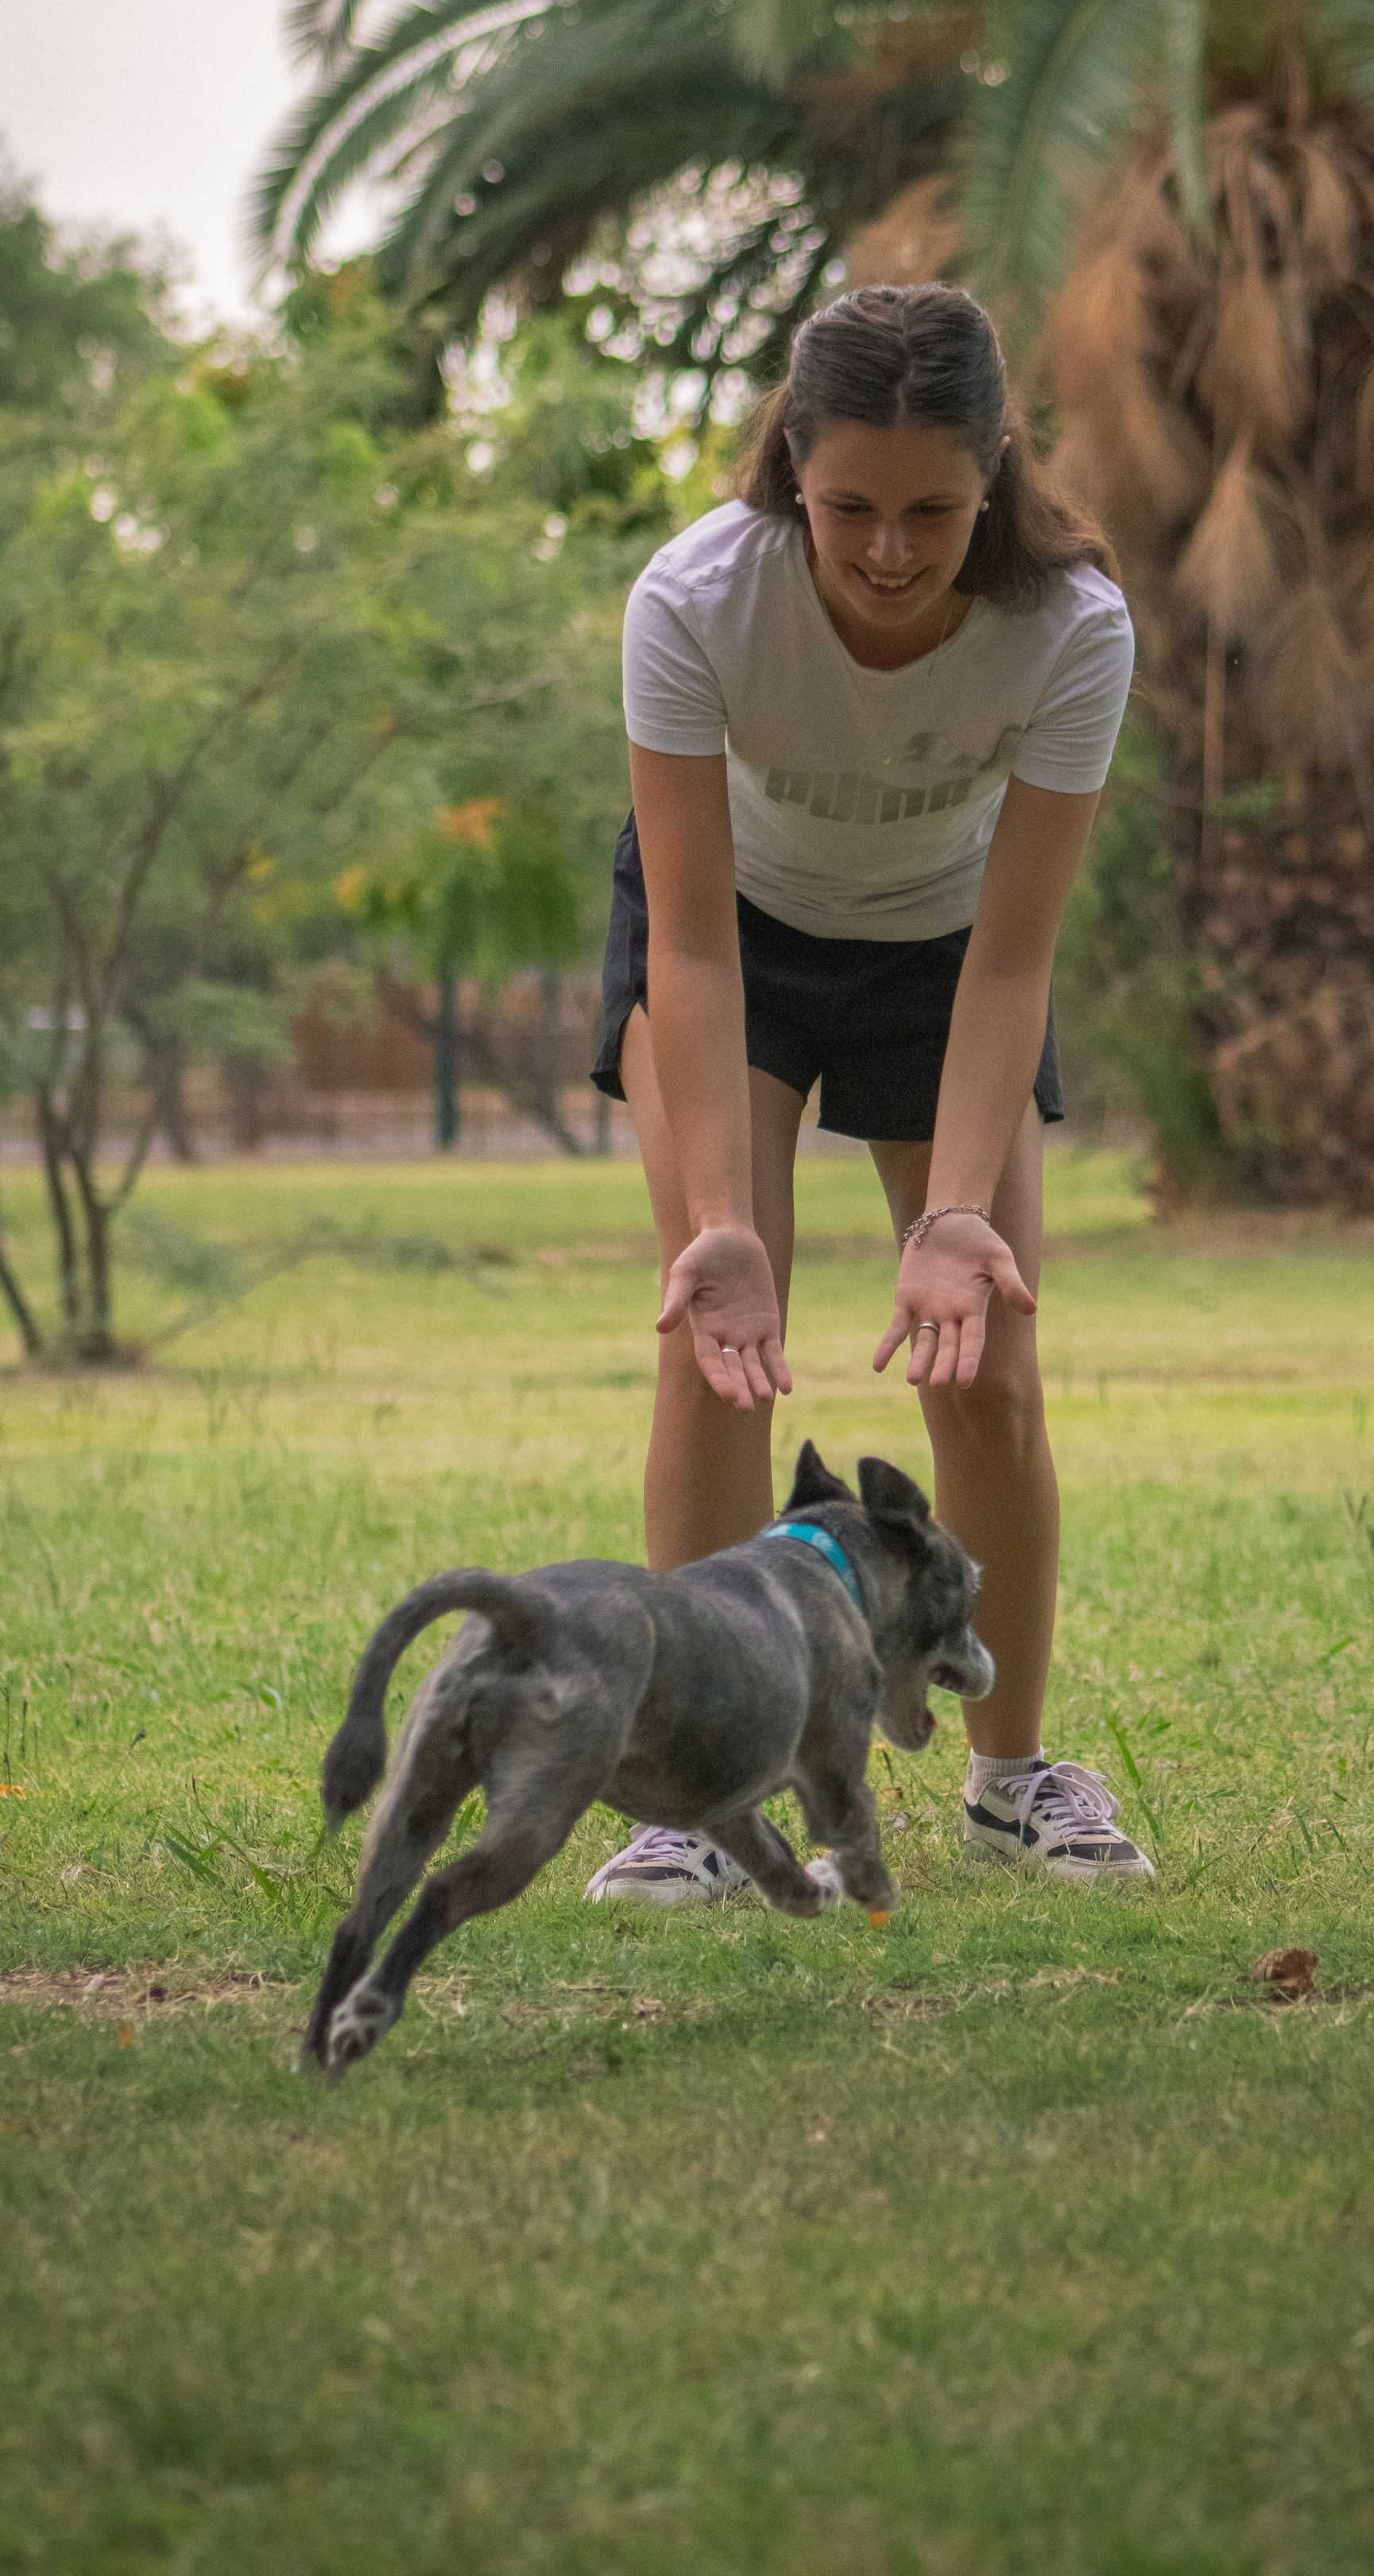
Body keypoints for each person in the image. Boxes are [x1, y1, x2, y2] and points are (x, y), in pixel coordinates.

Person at [583, 282, 1153, 1905]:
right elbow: (687, 951)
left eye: (929, 511)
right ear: (787, 467)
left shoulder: (1068, 627)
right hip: (735, 943)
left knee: (986, 1370)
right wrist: (718, 1220)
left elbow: (1010, 961)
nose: (889, 549)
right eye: (848, 507)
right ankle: (692, 1790)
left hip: (943, 948)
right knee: (719, 1351)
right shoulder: (695, 599)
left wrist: (959, 1210)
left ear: (991, 479)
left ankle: (1011, 1771)